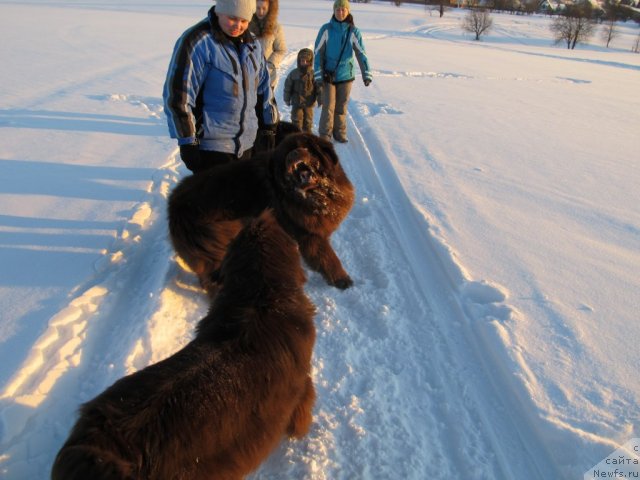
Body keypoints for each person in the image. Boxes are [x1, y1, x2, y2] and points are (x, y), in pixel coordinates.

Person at [163, 0, 279, 174]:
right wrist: (188, 141)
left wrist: (269, 127)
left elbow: (263, 89)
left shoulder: (253, 45)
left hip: (248, 145)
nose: (238, 26)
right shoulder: (198, 42)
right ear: (219, 11)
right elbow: (179, 95)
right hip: (211, 149)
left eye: (244, 20)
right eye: (232, 18)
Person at [314, 0, 372, 143]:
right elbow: (317, 52)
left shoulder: (353, 31)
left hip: (346, 75)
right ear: (334, 11)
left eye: (343, 9)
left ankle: (339, 132)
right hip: (329, 74)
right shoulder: (326, 29)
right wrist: (318, 73)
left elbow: (361, 53)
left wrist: (366, 73)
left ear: (348, 11)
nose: (340, 12)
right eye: (338, 9)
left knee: (341, 106)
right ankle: (324, 136)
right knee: (328, 106)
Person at [249, 0, 286, 90]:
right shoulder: (246, 25)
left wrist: (268, 65)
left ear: (270, 8)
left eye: (264, 8)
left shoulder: (276, 28)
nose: (261, 12)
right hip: (249, 77)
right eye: (258, 8)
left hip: (268, 78)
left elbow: (281, 50)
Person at [283, 48, 321, 133]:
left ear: (310, 62)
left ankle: (307, 133)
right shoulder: (294, 74)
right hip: (297, 102)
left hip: (309, 102)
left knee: (308, 120)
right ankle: (296, 134)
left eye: (306, 61)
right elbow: (287, 87)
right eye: (302, 61)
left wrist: (320, 99)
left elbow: (319, 88)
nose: (304, 63)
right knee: (296, 119)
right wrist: (286, 98)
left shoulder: (313, 74)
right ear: (298, 61)